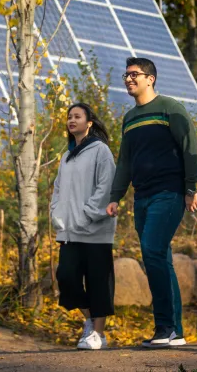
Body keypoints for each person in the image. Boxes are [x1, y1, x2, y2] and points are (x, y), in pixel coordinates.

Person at [106, 57, 197, 348]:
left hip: (169, 193)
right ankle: (170, 330)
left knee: (152, 250)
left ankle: (169, 328)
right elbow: (125, 161)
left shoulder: (169, 108)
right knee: (158, 258)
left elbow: (190, 147)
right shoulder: (130, 118)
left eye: (135, 74)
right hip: (142, 196)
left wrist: (190, 187)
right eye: (126, 75)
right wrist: (115, 196)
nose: (128, 79)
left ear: (151, 79)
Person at [51, 102, 117, 350]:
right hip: (68, 230)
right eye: (69, 117)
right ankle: (89, 320)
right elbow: (58, 189)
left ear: (89, 122)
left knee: (99, 281)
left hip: (95, 231)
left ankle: (98, 334)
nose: (71, 120)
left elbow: (106, 186)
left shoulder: (101, 150)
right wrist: (56, 213)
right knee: (66, 278)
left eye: (77, 116)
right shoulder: (67, 156)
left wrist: (87, 215)